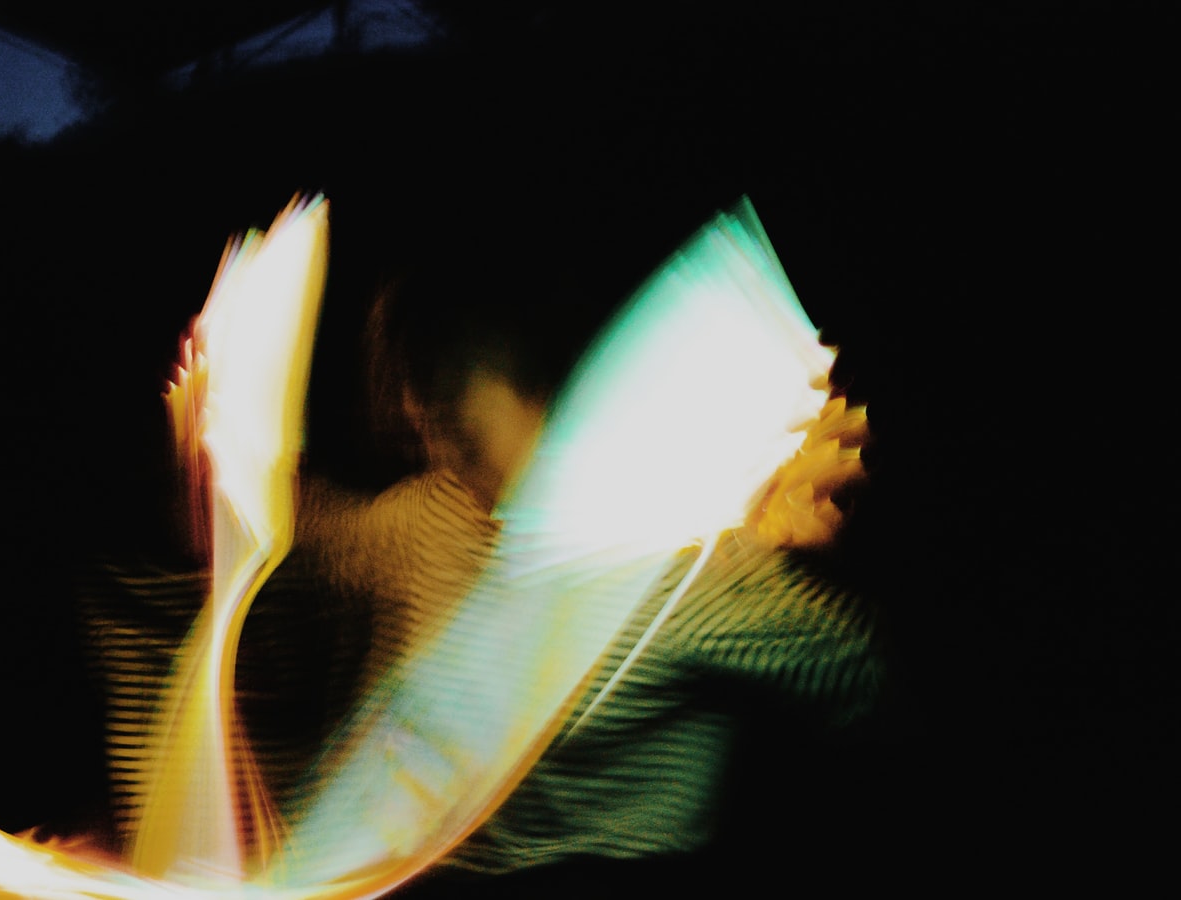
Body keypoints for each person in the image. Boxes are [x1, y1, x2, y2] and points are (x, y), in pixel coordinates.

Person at [78, 207, 885, 897]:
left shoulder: (687, 557)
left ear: (531, 386)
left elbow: (871, 685)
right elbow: (302, 528)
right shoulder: (426, 520)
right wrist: (212, 466)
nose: (431, 443)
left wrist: (834, 550)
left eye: (453, 420)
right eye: (422, 420)